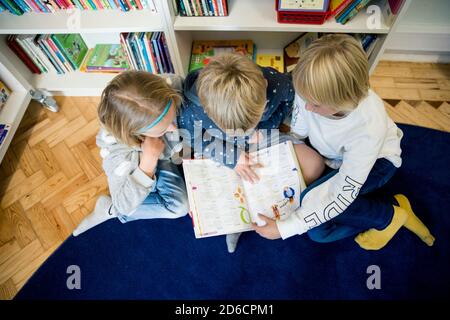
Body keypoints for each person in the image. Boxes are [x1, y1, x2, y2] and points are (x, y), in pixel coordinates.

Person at [253, 34, 435, 250]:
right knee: (309, 197)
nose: (307, 107)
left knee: (318, 230)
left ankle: (390, 215)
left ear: (343, 101)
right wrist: (294, 141)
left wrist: (284, 229)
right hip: (333, 152)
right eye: (304, 97)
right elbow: (302, 115)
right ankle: (380, 213)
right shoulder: (313, 90)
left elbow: (342, 192)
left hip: (378, 163)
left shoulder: (367, 128)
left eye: (316, 104)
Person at [179, 53, 324, 252]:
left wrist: (265, 128)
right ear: (208, 109)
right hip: (223, 149)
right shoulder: (194, 110)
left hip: (265, 137)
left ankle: (267, 210)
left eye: (249, 124)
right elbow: (193, 138)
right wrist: (232, 157)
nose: (244, 132)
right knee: (219, 193)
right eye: (236, 128)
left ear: (264, 86)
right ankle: (237, 224)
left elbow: (290, 102)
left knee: (314, 164)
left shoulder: (276, 84)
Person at [73, 71, 188, 236]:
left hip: (158, 150)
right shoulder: (120, 156)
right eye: (164, 128)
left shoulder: (168, 86)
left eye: (171, 119)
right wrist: (148, 163)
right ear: (137, 133)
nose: (173, 128)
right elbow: (124, 204)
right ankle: (108, 210)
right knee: (179, 206)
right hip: (145, 162)